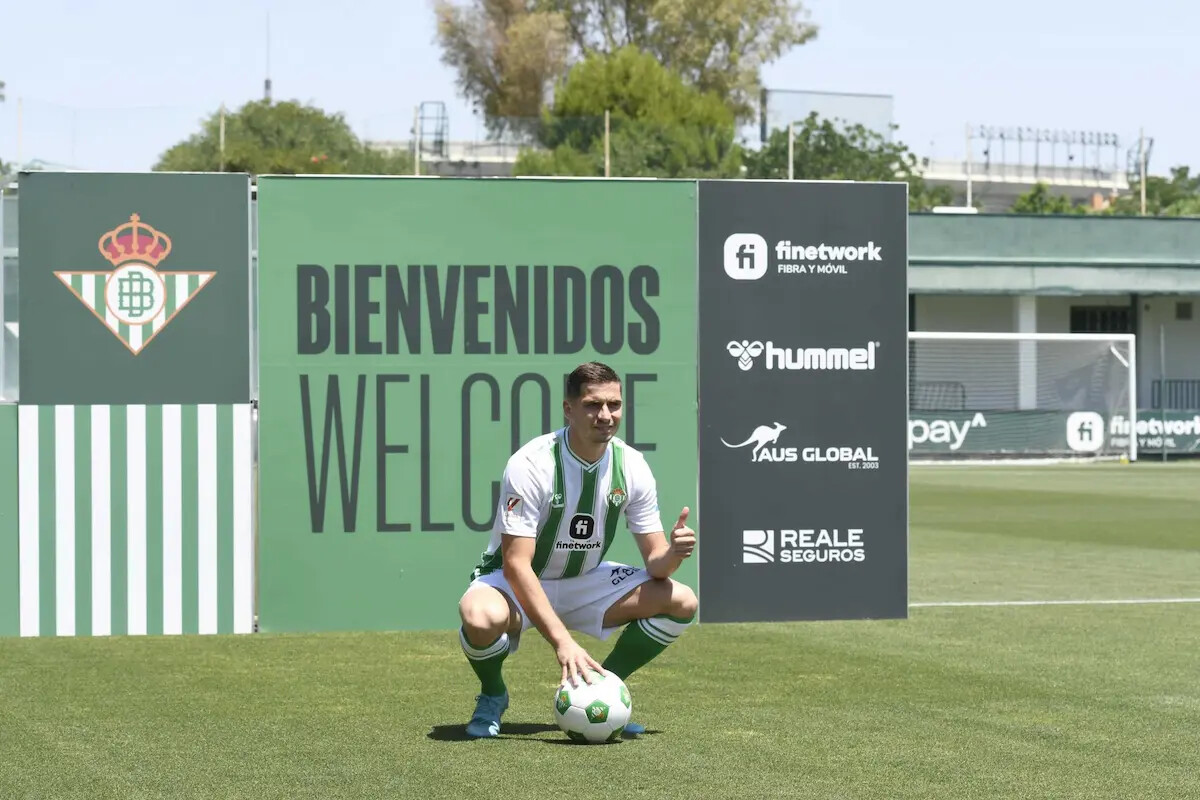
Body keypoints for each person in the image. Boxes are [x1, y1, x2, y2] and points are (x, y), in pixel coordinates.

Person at [456, 361, 699, 739]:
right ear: (569, 409)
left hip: (583, 579)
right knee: (479, 616)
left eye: (614, 405)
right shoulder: (531, 463)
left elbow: (656, 563)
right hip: (518, 582)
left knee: (682, 601)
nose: (605, 415)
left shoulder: (632, 465)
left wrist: (674, 553)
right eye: (592, 405)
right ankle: (492, 694)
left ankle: (606, 689)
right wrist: (563, 642)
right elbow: (516, 564)